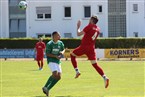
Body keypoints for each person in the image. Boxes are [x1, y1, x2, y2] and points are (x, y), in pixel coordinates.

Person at [70, 15, 109, 88]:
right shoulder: (98, 29)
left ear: (91, 20)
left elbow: (78, 34)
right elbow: (90, 34)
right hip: (91, 48)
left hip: (84, 47)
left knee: (72, 55)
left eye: (90, 19)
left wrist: (78, 26)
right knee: (95, 64)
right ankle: (105, 77)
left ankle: (77, 71)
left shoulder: (89, 26)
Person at [42, 31, 65, 96]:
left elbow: (63, 49)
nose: (59, 36)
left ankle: (47, 89)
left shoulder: (60, 43)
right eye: (58, 35)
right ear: (54, 36)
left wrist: (61, 53)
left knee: (59, 77)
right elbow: (47, 54)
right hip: (51, 60)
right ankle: (45, 86)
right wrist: (55, 56)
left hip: (58, 61)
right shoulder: (49, 44)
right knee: (55, 74)